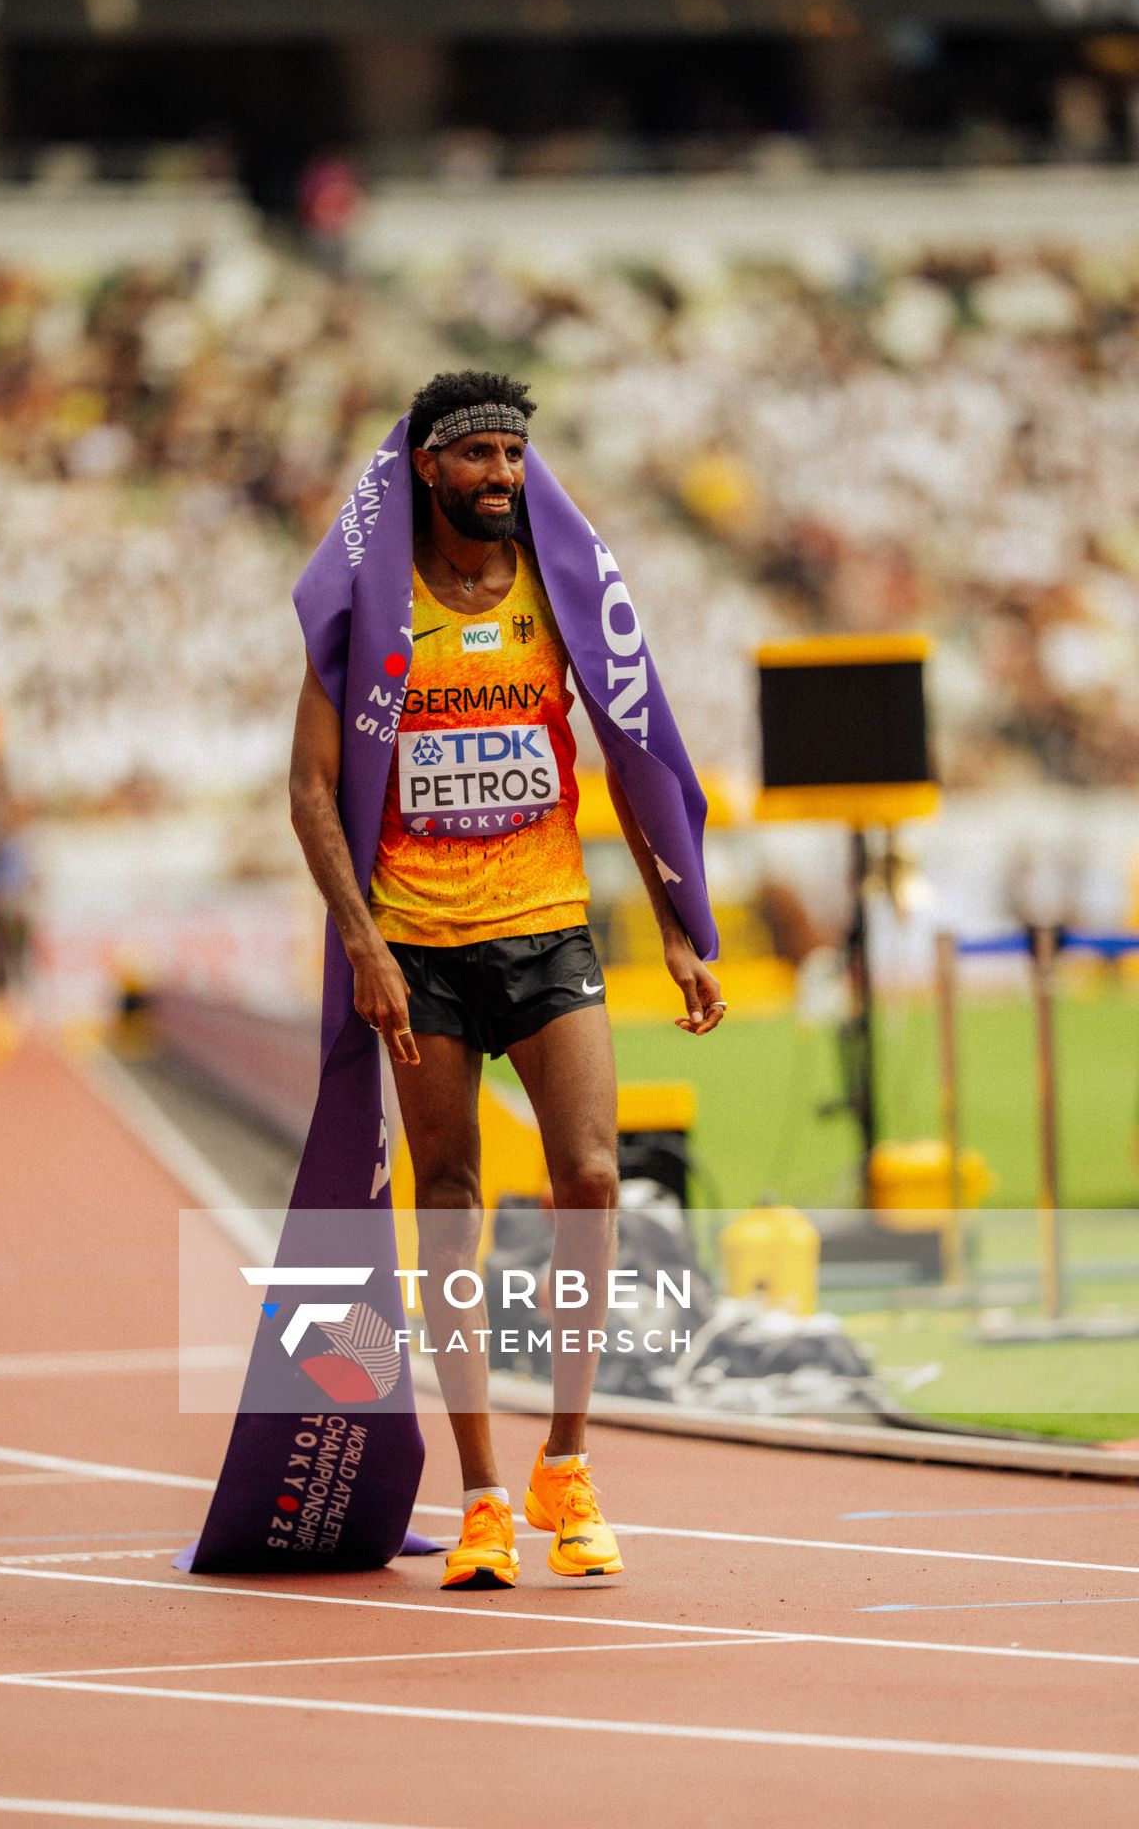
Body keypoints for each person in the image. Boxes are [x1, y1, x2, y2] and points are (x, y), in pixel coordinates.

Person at [289, 370, 725, 1590]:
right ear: (426, 466)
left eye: (513, 458)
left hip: (547, 927)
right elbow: (310, 788)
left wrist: (680, 925)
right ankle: (481, 1491)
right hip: (418, 946)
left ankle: (567, 1461)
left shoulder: (555, 592)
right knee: (449, 1202)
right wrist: (365, 944)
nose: (498, 477)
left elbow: (628, 756)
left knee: (590, 1175)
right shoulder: (371, 611)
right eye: (476, 457)